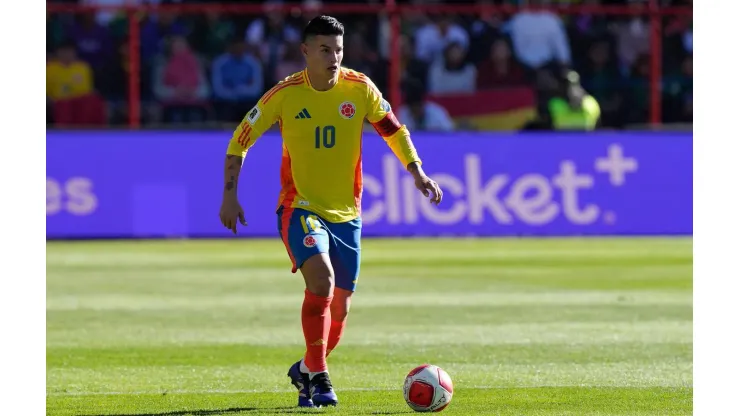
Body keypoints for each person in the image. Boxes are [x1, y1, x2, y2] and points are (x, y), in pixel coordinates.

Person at [218, 16, 443, 408]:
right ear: (305, 51)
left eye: (338, 49)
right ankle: (321, 378)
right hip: (299, 207)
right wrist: (229, 196)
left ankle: (306, 368)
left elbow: (393, 130)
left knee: (340, 306)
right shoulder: (285, 95)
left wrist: (417, 172)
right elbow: (240, 140)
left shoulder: (360, 89)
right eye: (325, 49)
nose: (334, 57)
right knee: (320, 281)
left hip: (347, 213)